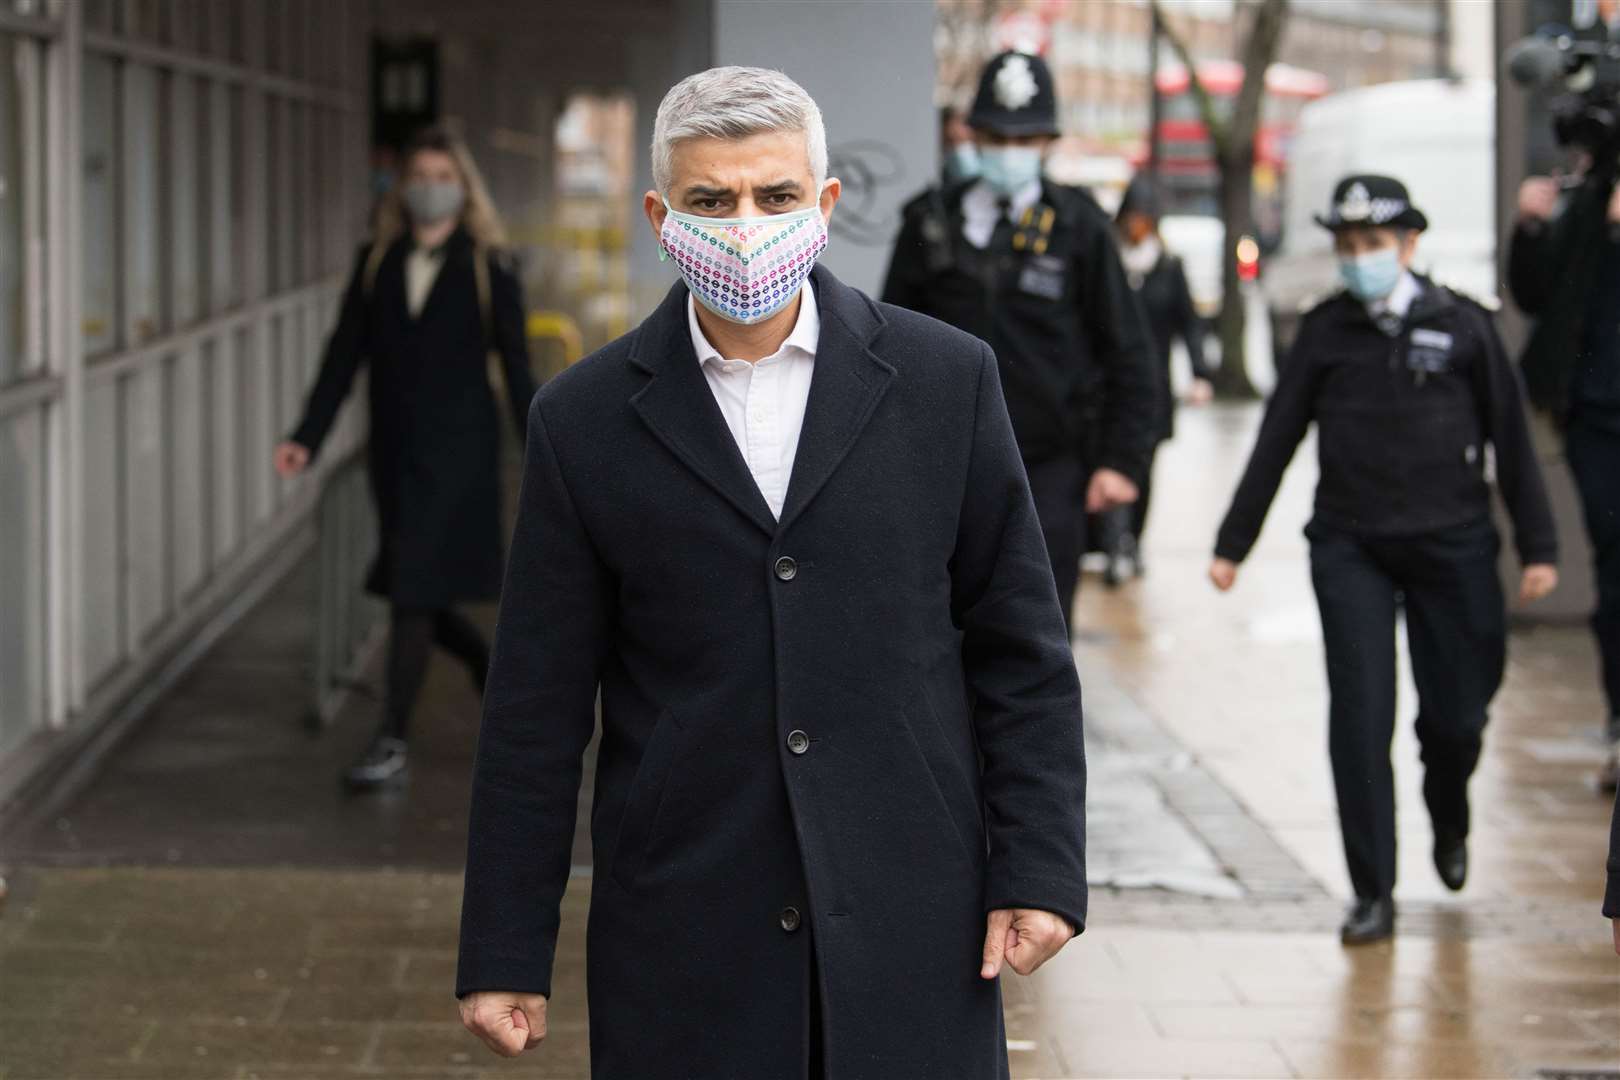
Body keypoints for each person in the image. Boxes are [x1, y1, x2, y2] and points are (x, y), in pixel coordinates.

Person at [455, 67, 1086, 1078]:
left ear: (823, 205)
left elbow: (1022, 652)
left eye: (775, 195)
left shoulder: (946, 382)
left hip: (915, 922)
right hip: (686, 932)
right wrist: (502, 948)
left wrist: (1041, 869)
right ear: (663, 216)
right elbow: (535, 709)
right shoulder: (580, 424)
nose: (744, 225)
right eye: (711, 201)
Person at [1209, 175, 1560, 946]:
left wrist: (1538, 547)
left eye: (1373, 245)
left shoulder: (1464, 326)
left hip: (1454, 544)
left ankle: (1449, 801)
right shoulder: (1325, 332)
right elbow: (1277, 437)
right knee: (1361, 719)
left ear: (1408, 245)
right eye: (1347, 246)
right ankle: (1373, 890)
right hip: (1351, 544)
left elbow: (1512, 439)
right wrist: (1233, 543)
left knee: (1457, 713)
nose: (1359, 259)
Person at [274, 126, 538, 791]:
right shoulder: (378, 261)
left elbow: (516, 364)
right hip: (393, 455)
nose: (429, 186)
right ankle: (490, 667)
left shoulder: (489, 264)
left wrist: (545, 450)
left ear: (463, 185)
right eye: (419, 174)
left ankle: (391, 739)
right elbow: (343, 357)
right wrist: (306, 435)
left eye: (443, 175)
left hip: (460, 457)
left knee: (411, 590)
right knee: (414, 586)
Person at [881, 51, 1157, 631]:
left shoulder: (1081, 228)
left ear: (1048, 141)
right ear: (973, 136)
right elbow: (890, 347)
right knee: (942, 630)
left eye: (1026, 138)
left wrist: (1120, 461)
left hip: (1050, 466)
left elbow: (1128, 350)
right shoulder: (931, 224)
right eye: (997, 136)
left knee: (1041, 629)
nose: (1011, 151)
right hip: (943, 462)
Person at [1508, 168, 1620, 792]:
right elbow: (1533, 291)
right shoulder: (1586, 204)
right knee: (1615, 569)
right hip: (1597, 417)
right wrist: (1532, 225)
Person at [1100, 176, 1214, 585]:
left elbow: (1190, 323)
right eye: (1131, 218)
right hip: (1107, 386)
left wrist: (1201, 373)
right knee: (1110, 460)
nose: (1136, 228)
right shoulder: (1106, 262)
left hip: (1153, 388)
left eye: (1144, 220)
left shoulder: (1168, 267)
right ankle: (1112, 545)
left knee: (1144, 468)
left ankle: (1134, 539)